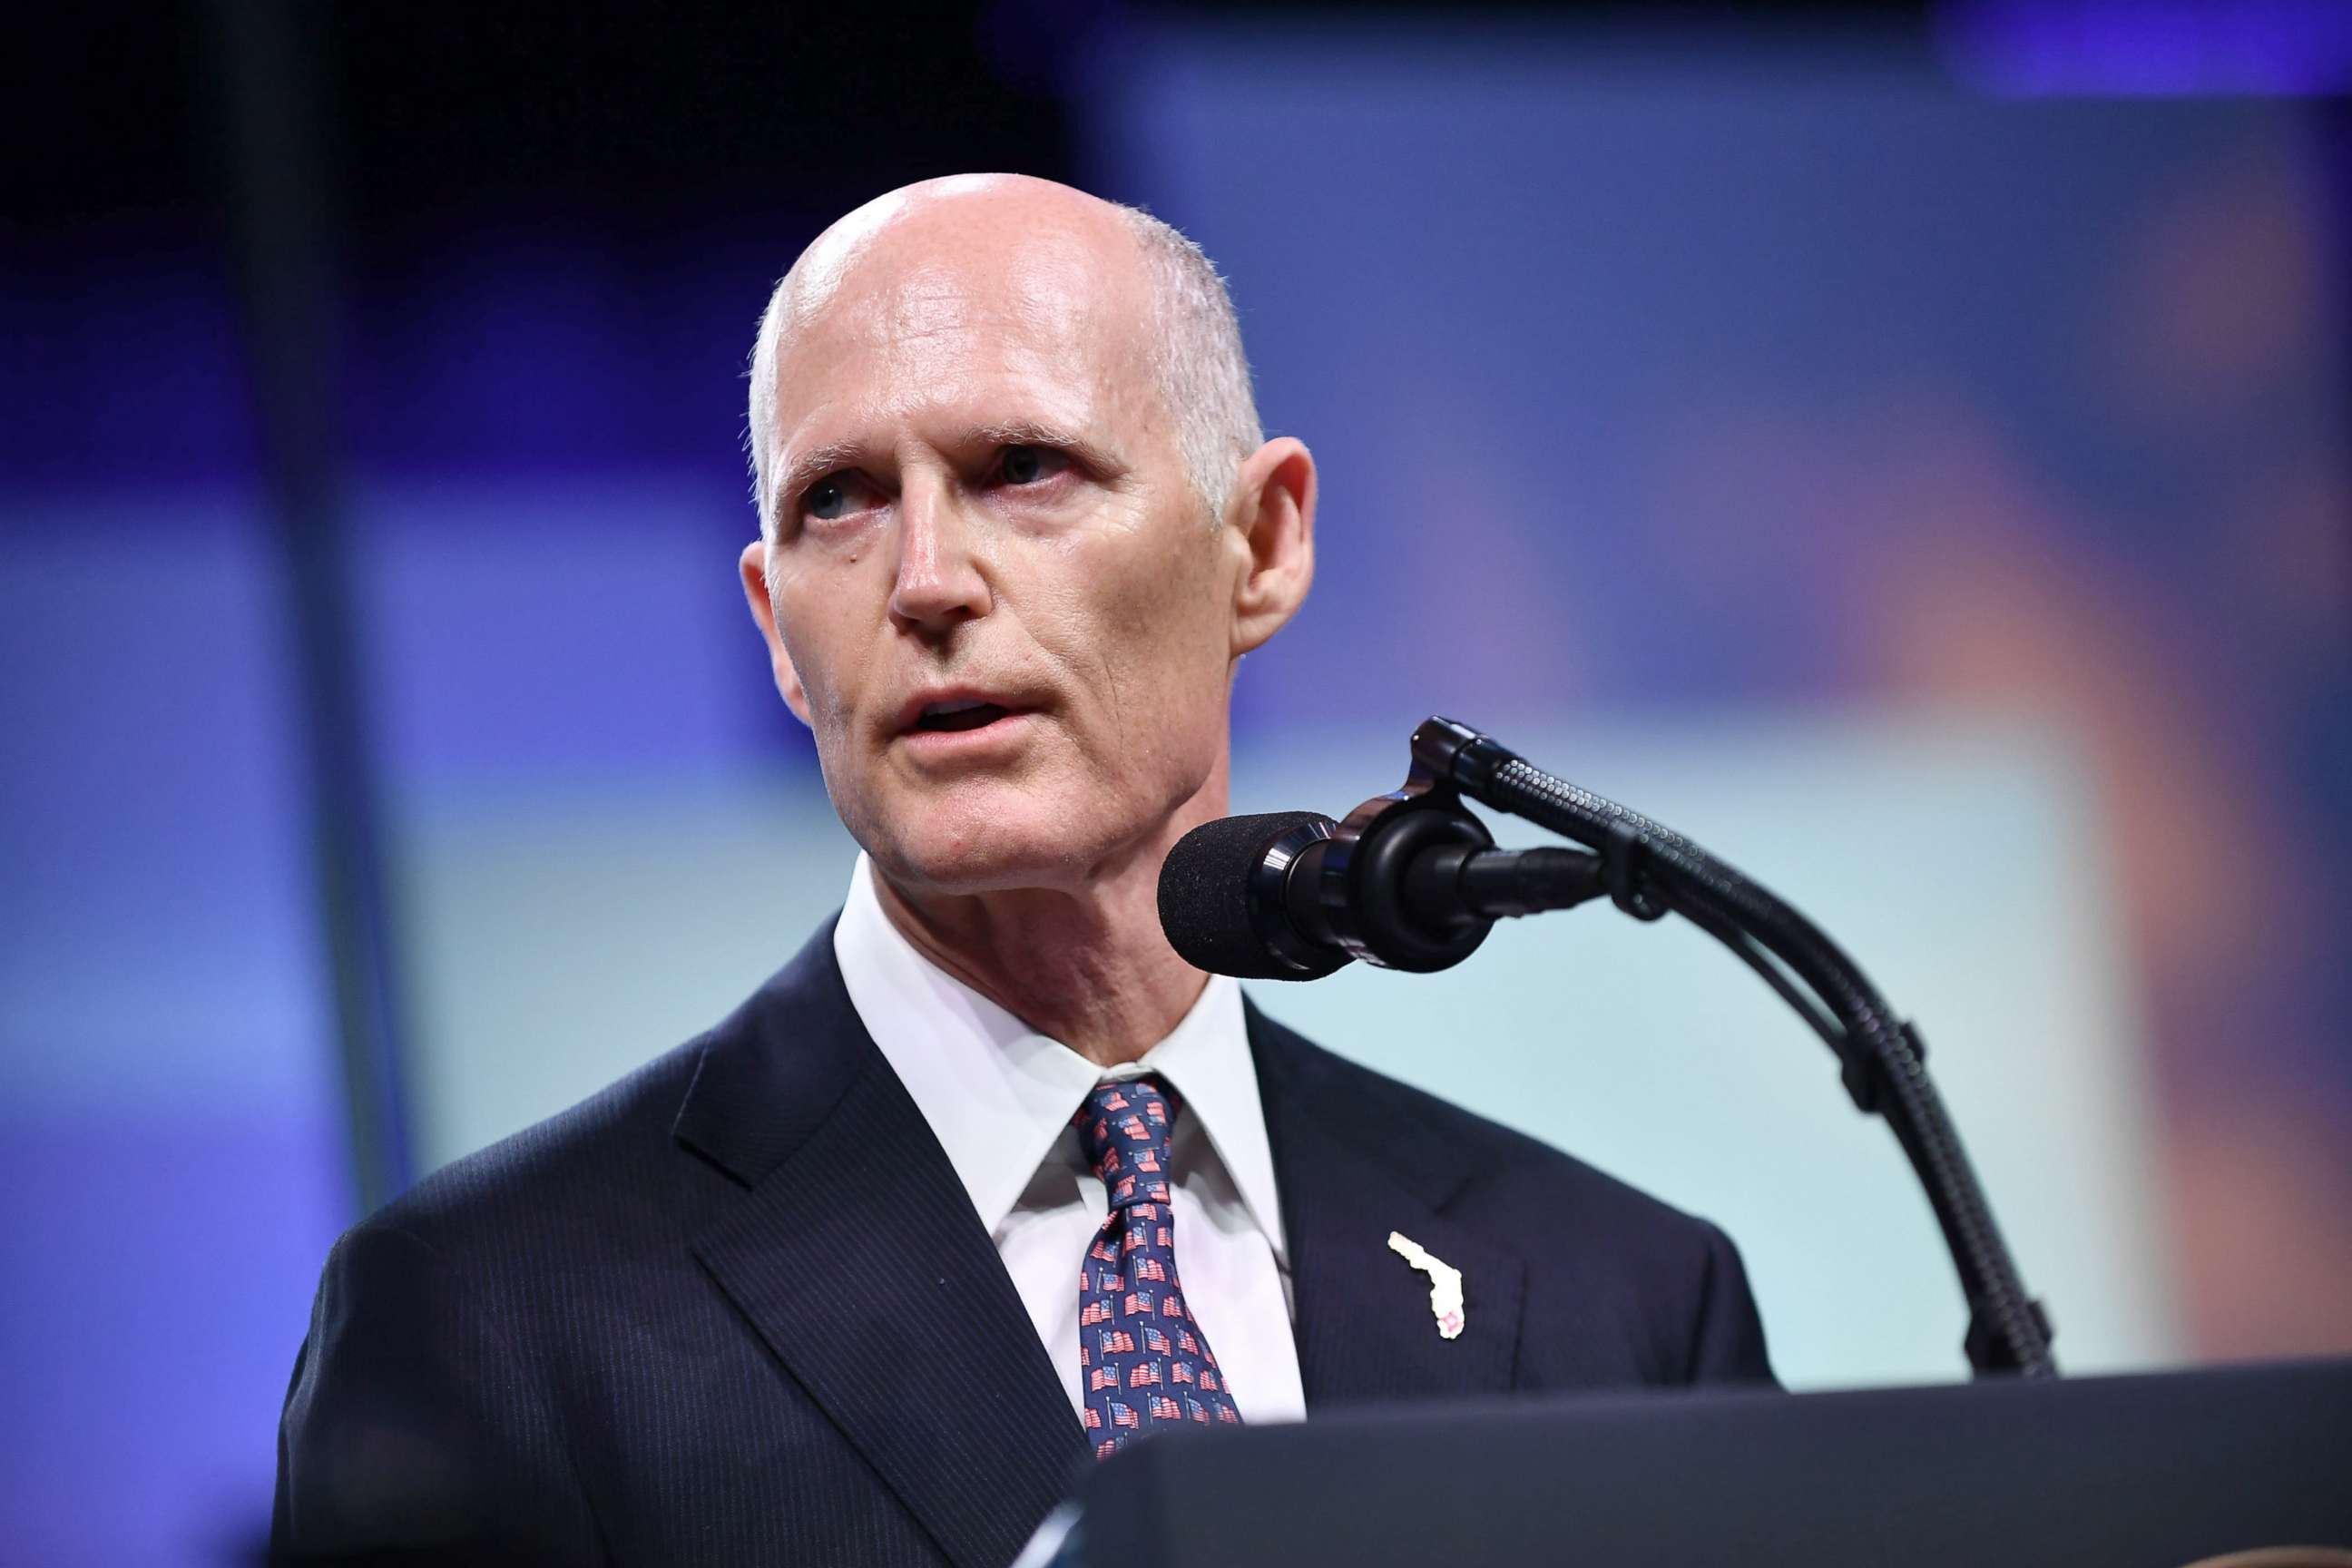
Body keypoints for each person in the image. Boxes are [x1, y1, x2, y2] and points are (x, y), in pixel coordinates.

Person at [272, 173, 1771, 1565]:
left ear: (1260, 541)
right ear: (776, 633)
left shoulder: (1620, 1303)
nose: (924, 580)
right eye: (838, 501)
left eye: (1023, 468)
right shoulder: (493, 1325)